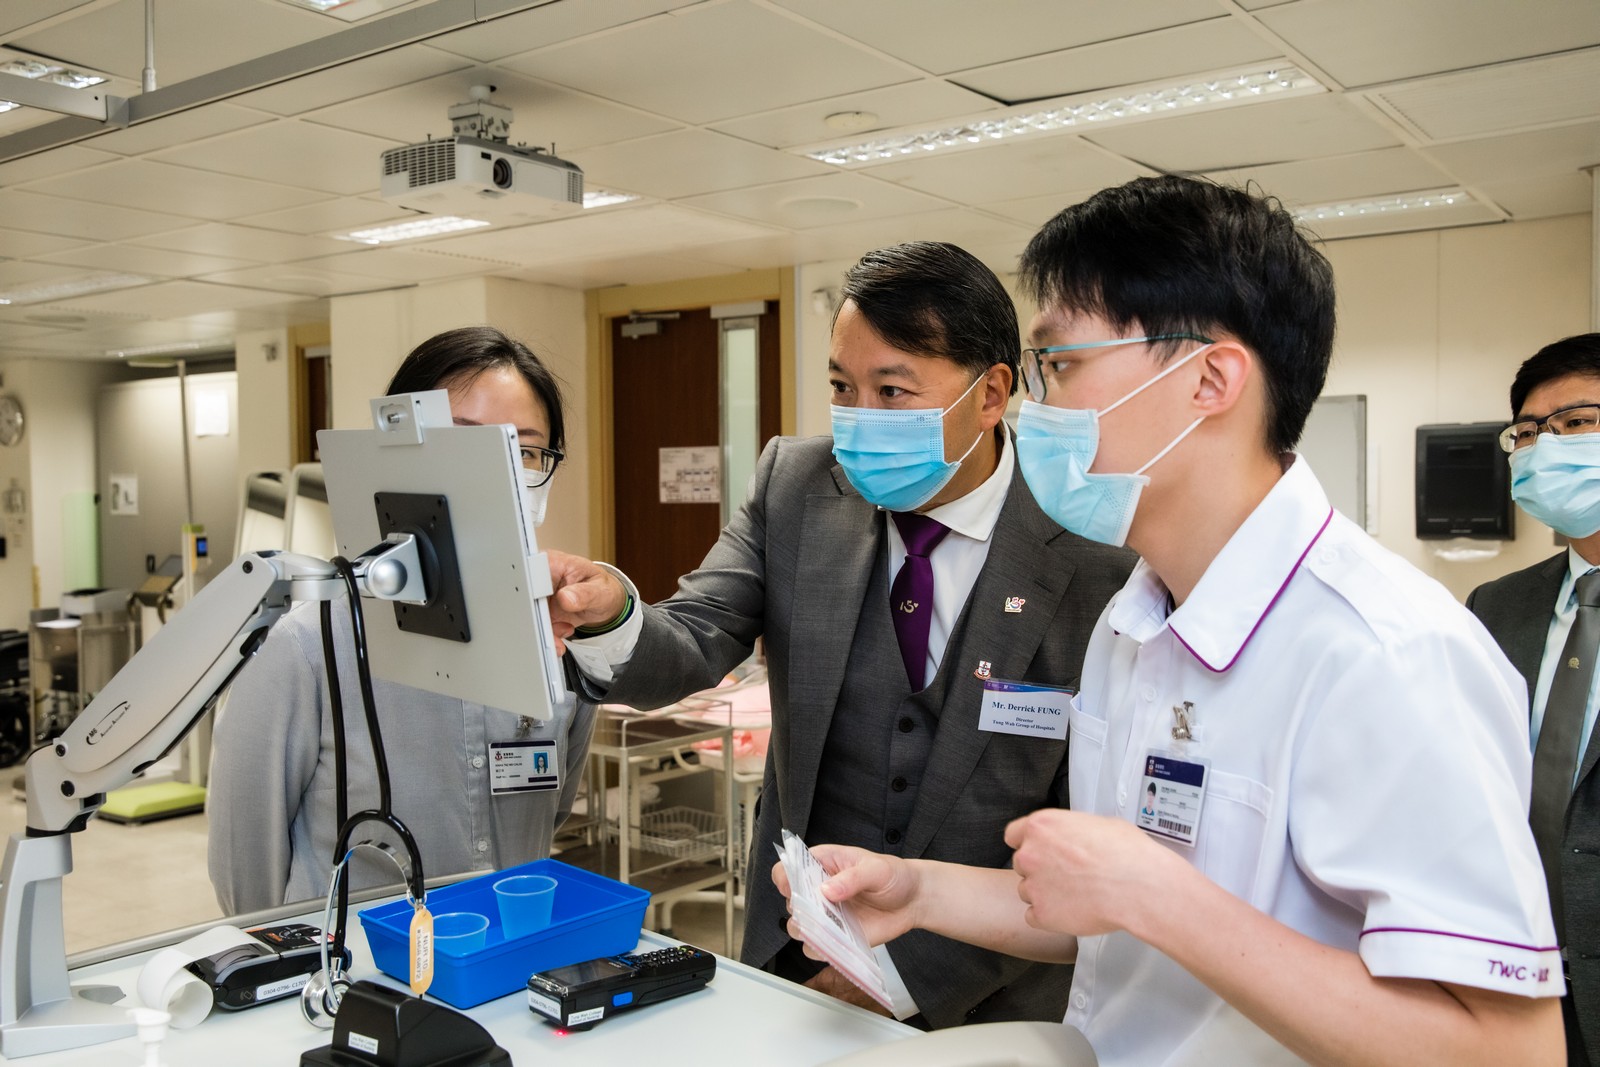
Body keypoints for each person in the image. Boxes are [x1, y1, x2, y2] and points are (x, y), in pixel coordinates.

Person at [777, 176, 1565, 1066]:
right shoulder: (1136, 621)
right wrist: (920, 889)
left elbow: (1512, 1049)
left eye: (1061, 366)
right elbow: (1108, 918)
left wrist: (1160, 896)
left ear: (1211, 378)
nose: (1036, 409)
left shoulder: (1386, 653)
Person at [546, 241, 1135, 1028]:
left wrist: (894, 981)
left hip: (992, 1001)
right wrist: (612, 611)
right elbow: (691, 636)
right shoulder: (797, 487)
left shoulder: (1093, 550)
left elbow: (1086, 831)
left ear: (992, 393)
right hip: (799, 963)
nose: (861, 418)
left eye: (892, 390)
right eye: (841, 388)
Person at [208, 326, 596, 915]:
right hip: (359, 989)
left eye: (522, 450)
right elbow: (247, 877)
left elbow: (550, 812)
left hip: (510, 974)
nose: (497, 471)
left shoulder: (560, 640)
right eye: (464, 444)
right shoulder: (305, 648)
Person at [1468, 332, 1600, 1067]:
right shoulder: (1497, 604)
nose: (1544, 445)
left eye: (1576, 422)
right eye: (1527, 431)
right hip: (1514, 976)